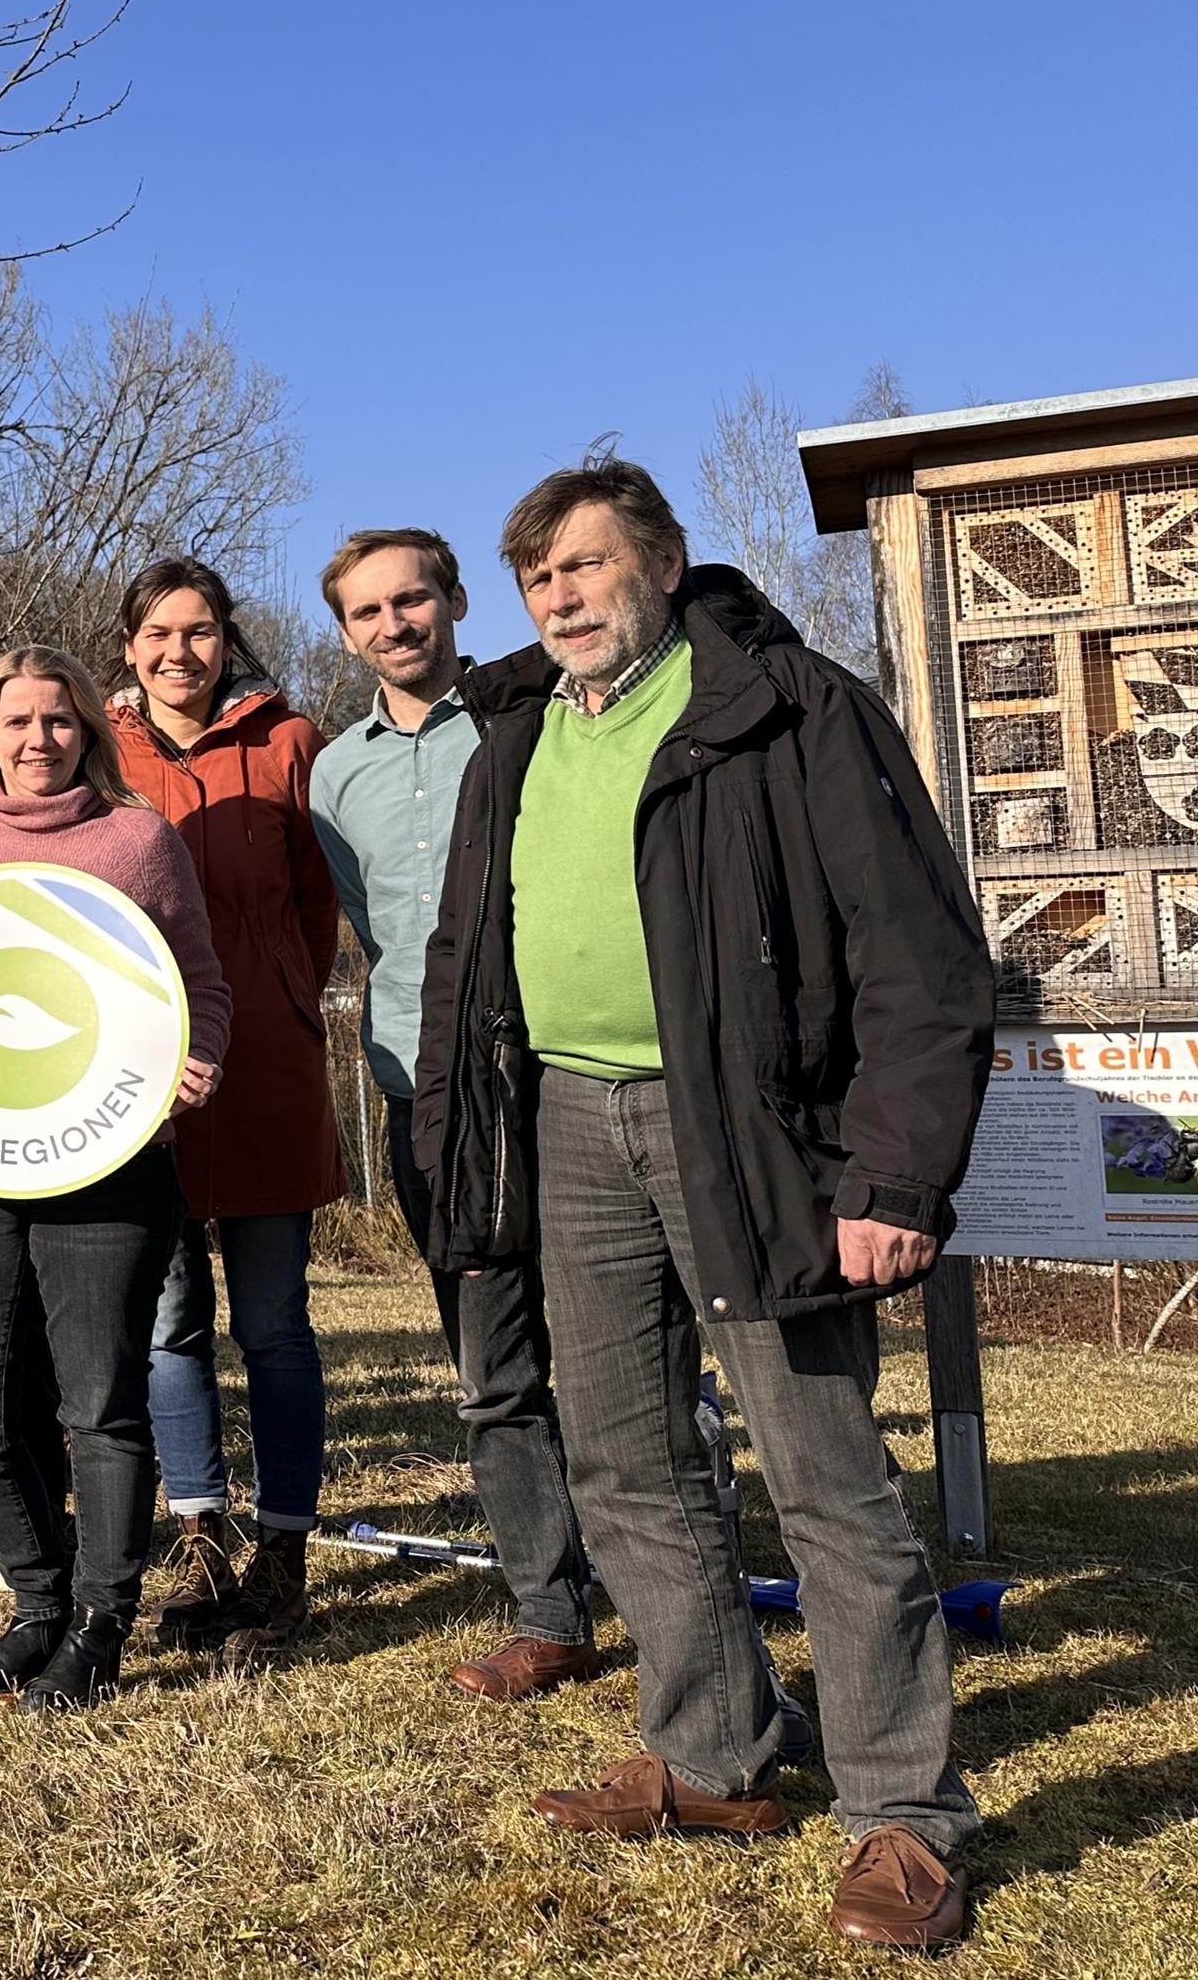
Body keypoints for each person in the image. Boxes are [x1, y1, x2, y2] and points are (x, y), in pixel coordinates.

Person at [414, 455, 992, 1951]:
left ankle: (904, 1818)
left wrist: (894, 1173)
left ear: (663, 563)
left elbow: (921, 957)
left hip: (749, 1136)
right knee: (623, 1458)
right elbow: (468, 956)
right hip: (564, 1126)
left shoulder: (789, 705)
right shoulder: (515, 736)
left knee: (826, 1480)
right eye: (540, 577)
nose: (562, 598)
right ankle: (718, 1755)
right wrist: (456, 1141)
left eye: (589, 566)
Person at [0, 646, 232, 1707]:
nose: (37, 739)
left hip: (112, 1163)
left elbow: (198, 981)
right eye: (16, 722)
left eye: (58, 721)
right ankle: (39, 1603)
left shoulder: (138, 841)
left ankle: (103, 1621)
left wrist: (195, 1060)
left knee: (100, 1405)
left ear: (88, 732)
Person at [308, 530, 601, 1701]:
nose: (394, 624)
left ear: (455, 601)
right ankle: (550, 1610)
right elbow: (364, 931)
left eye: (412, 599)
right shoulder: (333, 775)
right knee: (493, 1370)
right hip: (429, 1099)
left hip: (566, 1076)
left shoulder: (534, 718)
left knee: (627, 1351)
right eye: (368, 611)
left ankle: (680, 1578)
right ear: (344, 632)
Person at [107, 558, 345, 1664]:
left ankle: (285, 1547)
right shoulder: (100, 752)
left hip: (264, 1072)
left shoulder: (288, 743)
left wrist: (286, 995)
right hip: (135, 1077)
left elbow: (316, 899)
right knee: (167, 1324)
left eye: (200, 631)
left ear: (228, 640)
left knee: (277, 1324)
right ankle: (198, 1528)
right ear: (127, 645)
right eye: (159, 633)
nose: (180, 653)